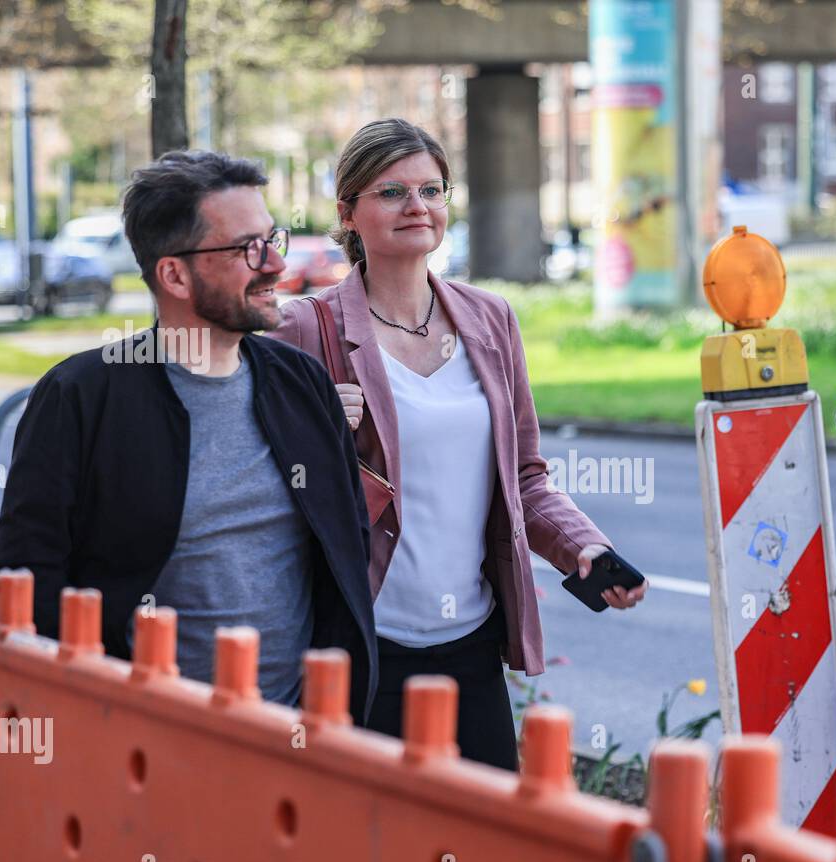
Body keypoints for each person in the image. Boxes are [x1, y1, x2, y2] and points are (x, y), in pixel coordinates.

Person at [268, 118, 647, 771]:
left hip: (470, 643)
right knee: (372, 854)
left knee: (480, 854)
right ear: (348, 212)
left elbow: (524, 474)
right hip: (362, 646)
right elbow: (259, 476)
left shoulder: (490, 319)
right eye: (391, 192)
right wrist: (316, 429)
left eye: (432, 190)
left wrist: (584, 547)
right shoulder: (305, 327)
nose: (417, 207)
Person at [0, 150, 378, 723]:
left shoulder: (301, 383)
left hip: (298, 738)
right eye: (247, 248)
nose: (274, 263)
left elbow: (345, 556)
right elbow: (28, 587)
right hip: (143, 744)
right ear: (174, 273)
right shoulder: (79, 397)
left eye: (273, 237)